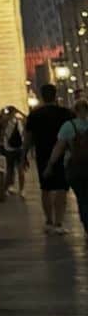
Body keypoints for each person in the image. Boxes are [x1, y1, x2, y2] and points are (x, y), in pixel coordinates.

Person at [24, 84, 73, 234]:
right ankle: (59, 222)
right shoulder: (66, 113)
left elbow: (28, 138)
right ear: (55, 95)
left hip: (42, 155)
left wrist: (23, 155)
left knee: (45, 188)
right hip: (62, 155)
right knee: (61, 188)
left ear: (41, 96)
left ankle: (49, 221)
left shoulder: (34, 115)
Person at [46, 97, 88, 234]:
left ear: (75, 111)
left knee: (82, 198)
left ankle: (86, 224)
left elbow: (58, 148)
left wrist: (50, 165)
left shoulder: (68, 126)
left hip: (75, 168)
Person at [0, 107, 25, 194]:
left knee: (10, 169)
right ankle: (21, 189)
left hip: (9, 149)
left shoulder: (5, 122)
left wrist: (2, 112)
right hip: (19, 148)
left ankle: (8, 188)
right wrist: (20, 112)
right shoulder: (18, 121)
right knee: (19, 170)